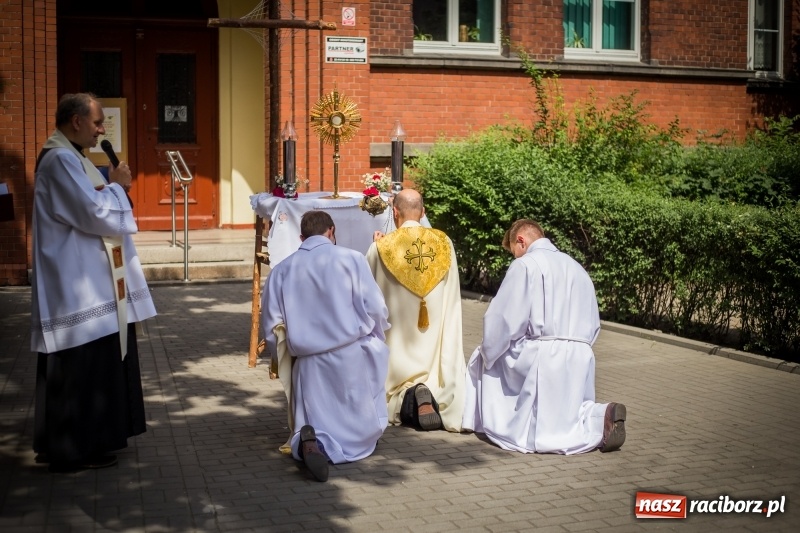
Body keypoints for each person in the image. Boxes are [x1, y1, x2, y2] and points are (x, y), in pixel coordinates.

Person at [31, 93, 156, 472]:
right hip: (74, 287)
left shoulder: (75, 158)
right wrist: (117, 187)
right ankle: (70, 451)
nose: (103, 129)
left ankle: (91, 442)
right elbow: (92, 213)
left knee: (93, 367)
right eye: (98, 122)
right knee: (78, 368)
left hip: (90, 283)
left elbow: (89, 205)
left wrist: (109, 188)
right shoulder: (60, 160)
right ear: (75, 122)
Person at [462, 219, 626, 454]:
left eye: (513, 252)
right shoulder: (577, 268)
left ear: (521, 241)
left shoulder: (526, 265)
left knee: (484, 357)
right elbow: (594, 323)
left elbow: (504, 321)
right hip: (581, 355)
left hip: (542, 353)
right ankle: (602, 417)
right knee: (572, 415)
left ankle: (483, 423)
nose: (515, 258)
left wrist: (489, 352)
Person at [262, 210, 391, 482]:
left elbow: (272, 325)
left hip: (308, 362)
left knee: (316, 414)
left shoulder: (282, 269)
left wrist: (282, 358)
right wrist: (375, 334)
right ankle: (351, 441)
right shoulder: (352, 259)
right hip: (349, 354)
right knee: (358, 416)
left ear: (301, 237)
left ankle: (312, 439)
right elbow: (376, 307)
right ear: (331, 231)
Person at [366, 189, 465, 432]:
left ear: (394, 211)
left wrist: (375, 247)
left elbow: (366, 294)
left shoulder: (381, 248)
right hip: (434, 332)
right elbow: (452, 294)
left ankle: (407, 395)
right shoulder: (444, 242)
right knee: (434, 370)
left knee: (396, 385)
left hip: (398, 340)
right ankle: (431, 389)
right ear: (423, 212)